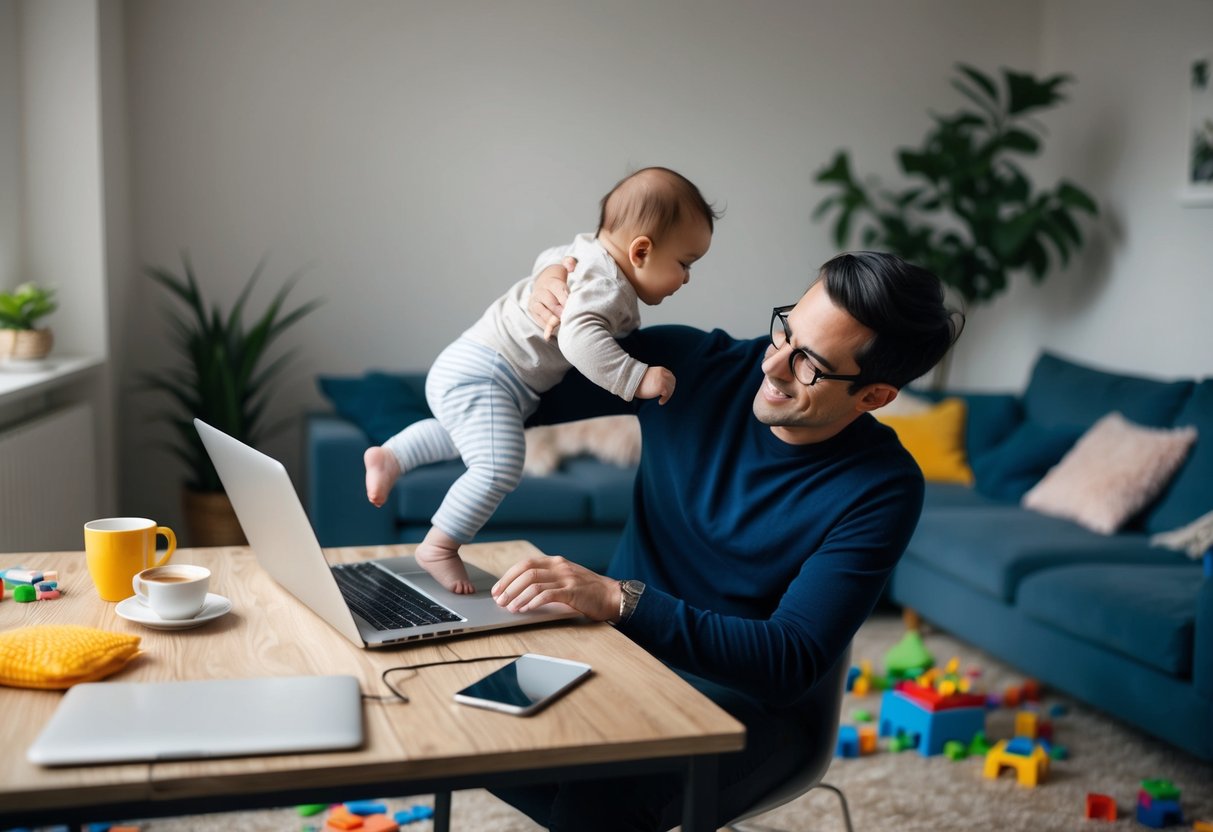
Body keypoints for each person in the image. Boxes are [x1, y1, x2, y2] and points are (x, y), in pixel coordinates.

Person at [488, 250, 963, 830]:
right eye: (785, 331)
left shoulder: (882, 488)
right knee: (469, 726)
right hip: (615, 659)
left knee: (597, 800)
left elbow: (789, 660)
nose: (773, 366)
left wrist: (619, 599)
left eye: (809, 363)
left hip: (756, 710)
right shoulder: (691, 365)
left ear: (873, 397)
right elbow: (502, 395)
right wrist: (546, 289)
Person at [364, 167, 718, 593]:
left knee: (466, 438)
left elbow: (551, 255)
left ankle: (393, 456)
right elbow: (578, 339)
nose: (686, 278)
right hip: (489, 372)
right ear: (640, 251)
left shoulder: (587, 252)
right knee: (499, 466)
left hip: (473, 365)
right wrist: (635, 378)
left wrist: (549, 271)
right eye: (685, 263)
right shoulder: (606, 283)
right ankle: (439, 546)